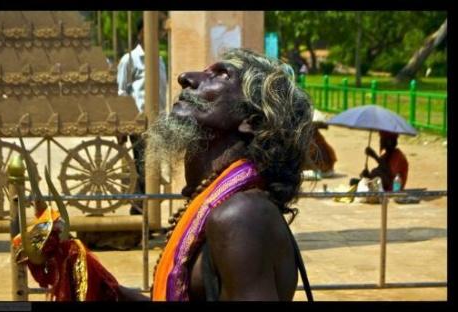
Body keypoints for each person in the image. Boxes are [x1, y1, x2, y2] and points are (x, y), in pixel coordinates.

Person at [16, 48, 314, 301]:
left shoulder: (243, 215)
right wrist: (79, 269)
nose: (186, 77)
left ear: (252, 120)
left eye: (222, 75)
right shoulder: (226, 207)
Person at [116, 18, 167, 214]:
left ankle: (146, 211)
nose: (156, 34)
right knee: (143, 166)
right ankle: (139, 211)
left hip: (157, 121)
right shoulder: (129, 59)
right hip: (137, 121)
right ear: (140, 34)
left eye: (158, 30)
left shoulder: (159, 59)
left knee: (152, 167)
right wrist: (121, 123)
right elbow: (121, 92)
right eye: (150, 30)